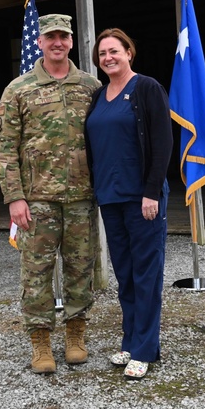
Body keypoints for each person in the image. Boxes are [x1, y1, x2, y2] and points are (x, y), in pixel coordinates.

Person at [0, 13, 101, 374]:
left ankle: (75, 335)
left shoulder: (90, 86)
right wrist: (14, 196)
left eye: (64, 37)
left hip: (82, 198)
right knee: (36, 272)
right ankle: (40, 341)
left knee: (80, 268)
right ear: (39, 42)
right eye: (51, 36)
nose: (58, 42)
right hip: (37, 199)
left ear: (71, 42)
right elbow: (5, 145)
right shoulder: (19, 89)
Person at [85, 28, 173, 379]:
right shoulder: (97, 96)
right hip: (110, 198)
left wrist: (151, 191)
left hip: (142, 199)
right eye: (102, 53)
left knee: (146, 273)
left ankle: (145, 349)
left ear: (129, 53)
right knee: (126, 275)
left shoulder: (147, 88)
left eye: (114, 51)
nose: (108, 57)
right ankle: (130, 341)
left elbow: (163, 142)